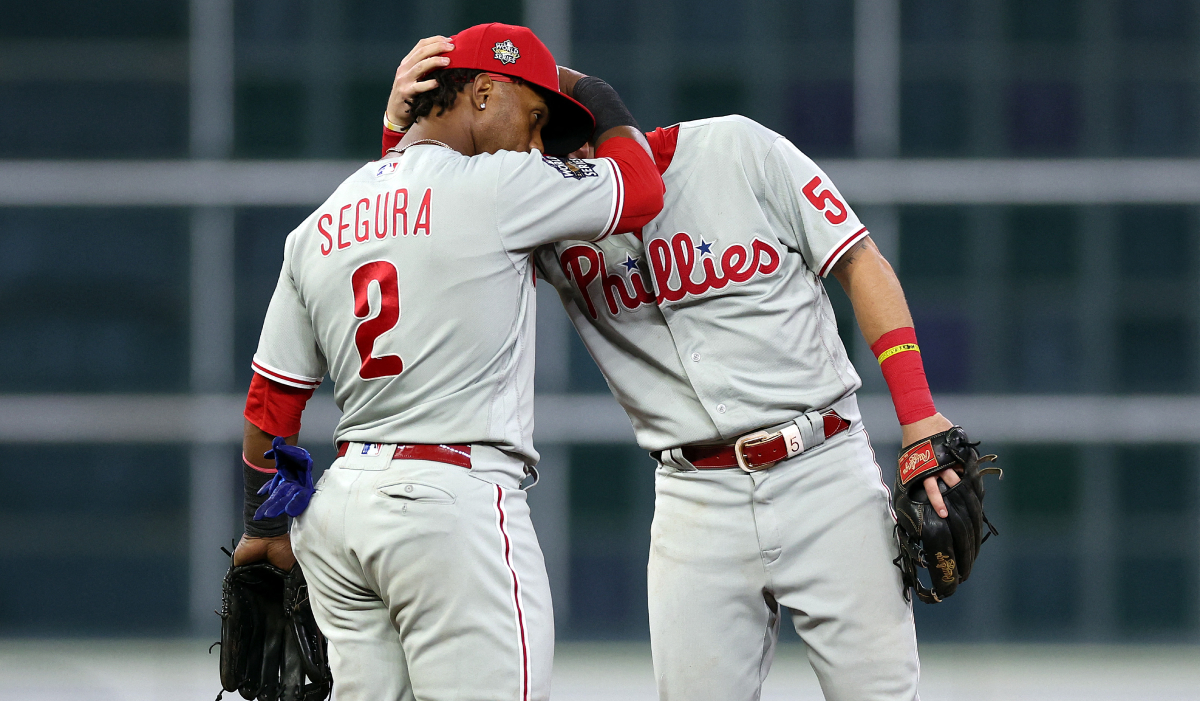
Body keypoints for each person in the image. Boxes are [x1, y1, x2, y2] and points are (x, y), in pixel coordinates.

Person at [382, 37, 980, 701]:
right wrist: (398, 132)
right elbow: (412, 244)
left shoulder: (736, 148)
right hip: (694, 498)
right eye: (543, 137)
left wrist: (918, 411)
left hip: (825, 470)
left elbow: (859, 262)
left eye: (571, 132)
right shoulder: (542, 217)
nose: (561, 153)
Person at [233, 23, 664, 701]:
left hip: (343, 519)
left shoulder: (321, 223)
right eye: (535, 116)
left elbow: (270, 410)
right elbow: (640, 190)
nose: (533, 141)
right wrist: (595, 93)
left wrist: (263, 521)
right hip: (451, 509)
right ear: (486, 91)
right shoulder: (500, 185)